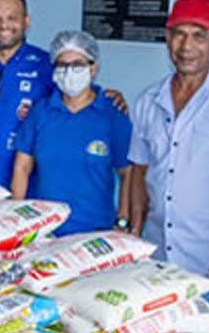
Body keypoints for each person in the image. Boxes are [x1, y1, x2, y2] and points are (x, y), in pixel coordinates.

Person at [128, 0, 209, 333]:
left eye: (198, 35)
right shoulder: (148, 100)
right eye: (178, 34)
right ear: (166, 38)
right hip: (155, 262)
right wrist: (132, 232)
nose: (187, 46)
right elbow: (138, 172)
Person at [0, 0, 126, 187]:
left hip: (29, 187)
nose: (4, 25)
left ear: (26, 21)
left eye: (12, 17)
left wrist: (111, 96)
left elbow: (77, 94)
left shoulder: (45, 65)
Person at [11, 31, 132, 236]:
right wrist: (16, 222)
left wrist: (122, 220)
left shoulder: (111, 115)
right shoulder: (40, 113)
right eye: (62, 65)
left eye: (78, 64)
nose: (69, 72)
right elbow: (22, 168)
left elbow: (128, 173)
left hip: (96, 232)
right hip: (46, 230)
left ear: (93, 68)